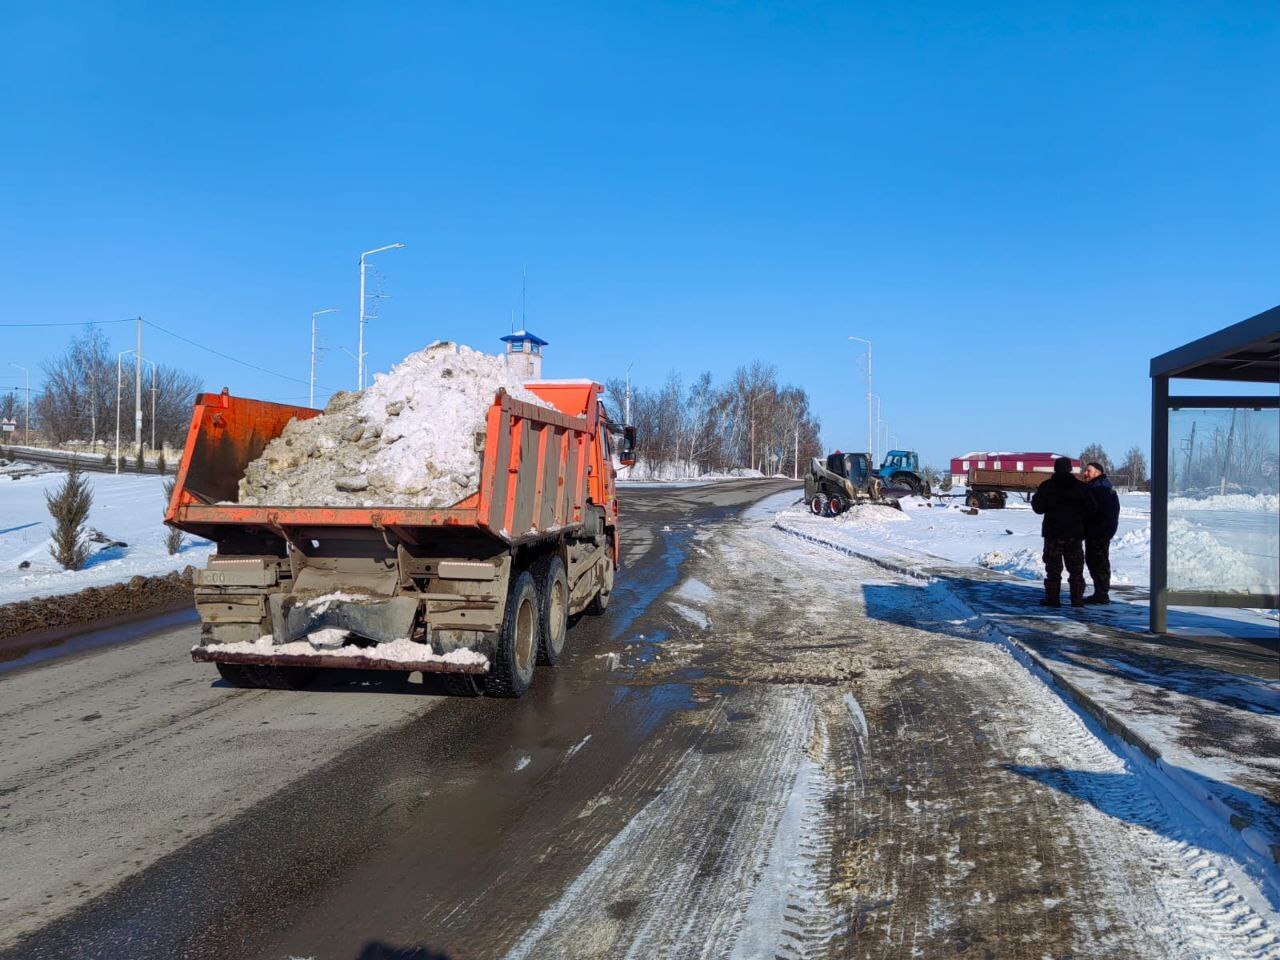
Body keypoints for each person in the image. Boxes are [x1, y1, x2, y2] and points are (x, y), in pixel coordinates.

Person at [1030, 457, 1096, 607]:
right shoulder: (1081, 487)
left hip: (1053, 534)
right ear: (1070, 469)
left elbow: (1038, 508)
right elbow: (1092, 508)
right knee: (1076, 569)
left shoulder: (1047, 486)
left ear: (1055, 469)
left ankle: (1052, 600)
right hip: (1074, 534)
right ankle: (1077, 600)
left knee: (1053, 569)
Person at [1081, 460, 1121, 604]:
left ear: (1098, 472)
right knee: (1096, 560)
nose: (1085, 473)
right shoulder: (1099, 486)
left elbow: (1095, 510)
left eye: (1088, 471)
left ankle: (1102, 594)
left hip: (1098, 531)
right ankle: (1101, 592)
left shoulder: (1100, 488)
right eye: (1085, 471)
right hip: (1099, 530)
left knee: (1097, 561)